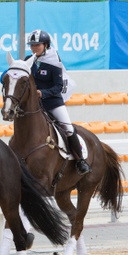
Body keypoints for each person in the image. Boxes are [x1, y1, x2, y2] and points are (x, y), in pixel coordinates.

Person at [26, 29, 91, 175]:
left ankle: (81, 161)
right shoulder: (27, 60)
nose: (34, 48)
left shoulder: (54, 63)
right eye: (32, 45)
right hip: (35, 105)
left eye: (37, 45)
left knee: (68, 128)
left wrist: (42, 93)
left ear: (46, 45)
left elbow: (58, 87)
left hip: (53, 102)